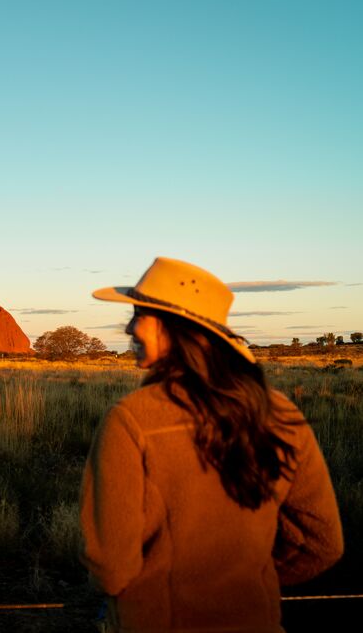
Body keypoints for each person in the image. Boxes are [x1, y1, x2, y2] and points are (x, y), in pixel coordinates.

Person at [81, 257, 342, 632]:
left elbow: (110, 566)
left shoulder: (131, 420)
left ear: (175, 327)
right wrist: (243, 581)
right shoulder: (280, 412)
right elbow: (322, 544)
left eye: (140, 315)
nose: (129, 328)